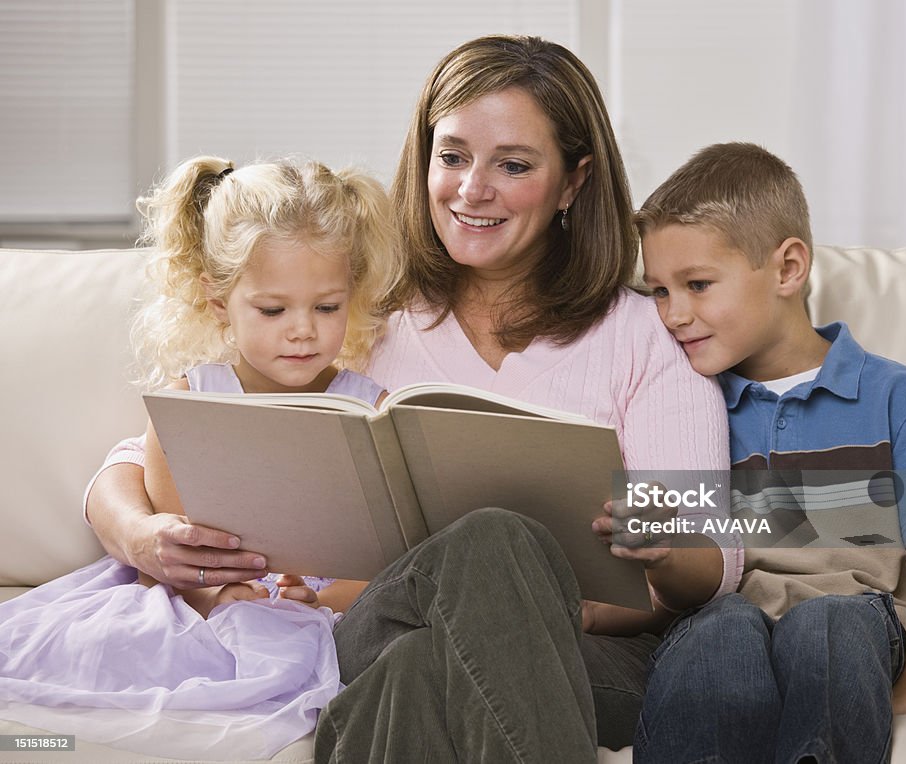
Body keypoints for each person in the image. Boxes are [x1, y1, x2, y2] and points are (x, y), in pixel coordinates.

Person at [85, 36, 738, 760]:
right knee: (476, 560)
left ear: (574, 182)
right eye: (452, 156)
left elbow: (716, 559)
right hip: (377, 619)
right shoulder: (357, 311)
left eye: (513, 165)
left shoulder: (643, 336)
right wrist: (137, 534)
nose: (471, 189)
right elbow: (157, 445)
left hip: (582, 654)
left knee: (433, 647)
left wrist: (651, 554)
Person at [0, 156, 400, 760]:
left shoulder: (370, 409)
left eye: (327, 307)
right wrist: (216, 598)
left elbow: (389, 558)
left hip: (322, 613)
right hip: (203, 604)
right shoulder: (190, 404)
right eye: (273, 309)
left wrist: (324, 599)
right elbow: (170, 554)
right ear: (220, 302)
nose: (303, 331)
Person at [633, 142, 906, 763]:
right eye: (658, 292)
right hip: (727, 628)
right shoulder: (687, 406)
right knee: (719, 628)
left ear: (788, 269)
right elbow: (661, 564)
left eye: (696, 285)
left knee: (829, 621)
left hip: (851, 626)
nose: (674, 314)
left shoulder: (901, 399)